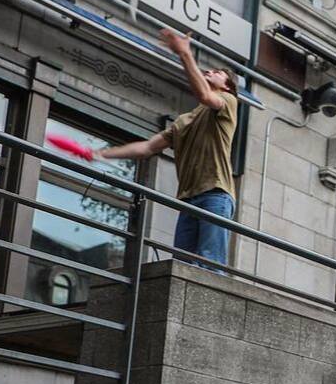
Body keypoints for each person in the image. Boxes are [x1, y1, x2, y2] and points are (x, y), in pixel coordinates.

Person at [97, 28, 238, 267]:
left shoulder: (228, 102)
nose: (209, 71)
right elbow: (147, 148)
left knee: (209, 264)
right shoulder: (183, 121)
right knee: (181, 265)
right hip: (189, 199)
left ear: (227, 86)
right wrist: (101, 154)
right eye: (209, 69)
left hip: (216, 193)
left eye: (217, 72)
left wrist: (185, 54)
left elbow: (205, 96)